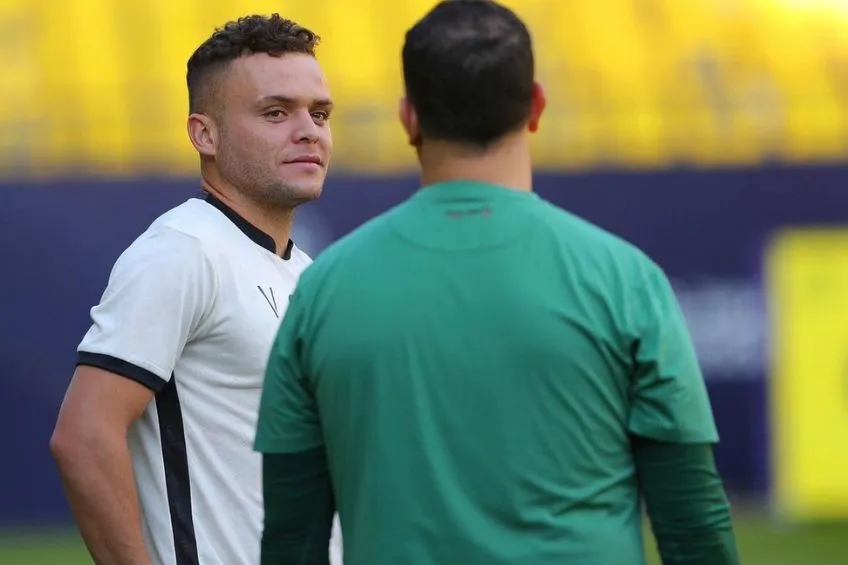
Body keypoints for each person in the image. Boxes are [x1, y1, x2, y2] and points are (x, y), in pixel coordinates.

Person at [253, 1, 740, 564]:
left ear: (409, 117)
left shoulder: (321, 291)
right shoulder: (626, 279)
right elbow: (693, 523)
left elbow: (292, 537)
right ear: (536, 106)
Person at [49, 13, 343, 565]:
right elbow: (84, 437)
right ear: (203, 134)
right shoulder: (182, 252)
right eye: (276, 112)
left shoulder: (307, 272)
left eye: (319, 113)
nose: (308, 130)